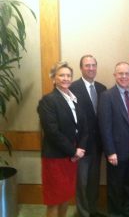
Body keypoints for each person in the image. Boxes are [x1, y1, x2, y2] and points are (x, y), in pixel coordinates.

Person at [37, 62, 88, 217]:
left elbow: (84, 126)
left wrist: (80, 149)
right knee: (54, 199)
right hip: (55, 157)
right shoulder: (48, 101)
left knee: (66, 196)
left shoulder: (73, 99)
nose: (66, 78)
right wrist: (73, 151)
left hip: (71, 158)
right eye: (61, 75)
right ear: (54, 79)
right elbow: (52, 132)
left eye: (68, 75)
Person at [99, 62, 129, 217]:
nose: (124, 76)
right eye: (120, 73)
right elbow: (105, 126)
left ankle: (128, 210)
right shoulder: (107, 96)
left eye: (127, 74)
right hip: (116, 150)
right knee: (115, 184)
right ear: (115, 75)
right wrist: (110, 152)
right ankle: (115, 213)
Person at [70, 55, 107, 217]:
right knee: (82, 182)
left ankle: (93, 209)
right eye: (87, 65)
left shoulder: (102, 88)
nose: (91, 68)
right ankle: (83, 213)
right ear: (81, 68)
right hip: (81, 146)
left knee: (93, 180)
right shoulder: (72, 87)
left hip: (98, 145)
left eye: (93, 65)